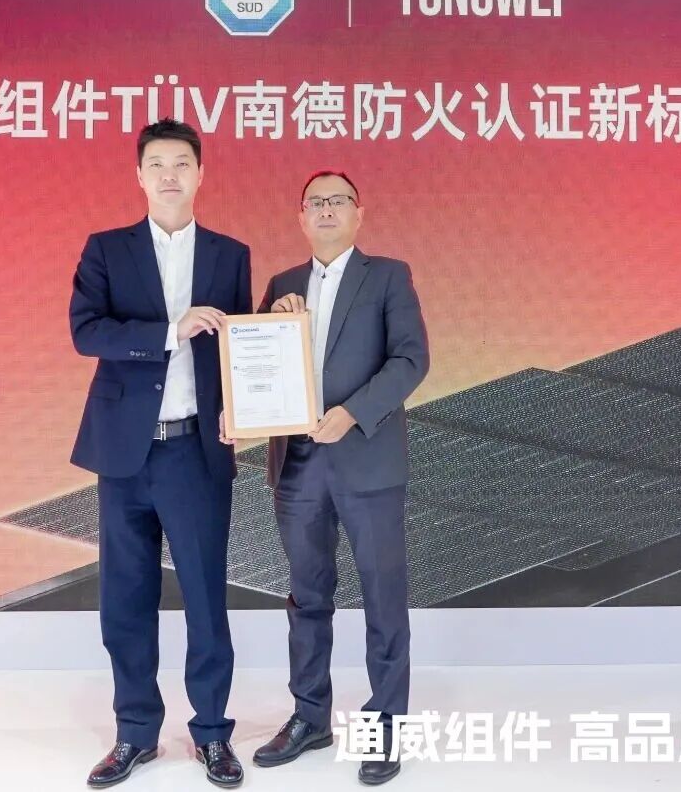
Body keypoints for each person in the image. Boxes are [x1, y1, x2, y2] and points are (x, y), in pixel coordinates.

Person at [69, 118, 250, 788]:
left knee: (205, 595)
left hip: (195, 450)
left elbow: (239, 346)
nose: (170, 174)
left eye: (182, 163)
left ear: (201, 174)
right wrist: (171, 330)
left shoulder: (230, 255)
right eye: (157, 164)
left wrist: (246, 407)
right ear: (139, 176)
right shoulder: (106, 249)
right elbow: (87, 332)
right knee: (126, 597)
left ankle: (212, 733)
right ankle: (135, 733)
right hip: (125, 450)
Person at [251, 170, 429, 786]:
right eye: (315, 202)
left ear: (359, 213)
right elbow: (256, 362)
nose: (326, 210)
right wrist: (272, 319)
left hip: (367, 460)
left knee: (383, 595)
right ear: (301, 217)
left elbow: (411, 359)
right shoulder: (282, 285)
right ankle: (310, 716)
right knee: (306, 595)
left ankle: (386, 727)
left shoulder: (388, 276)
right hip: (298, 463)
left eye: (338, 201)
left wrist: (353, 412)